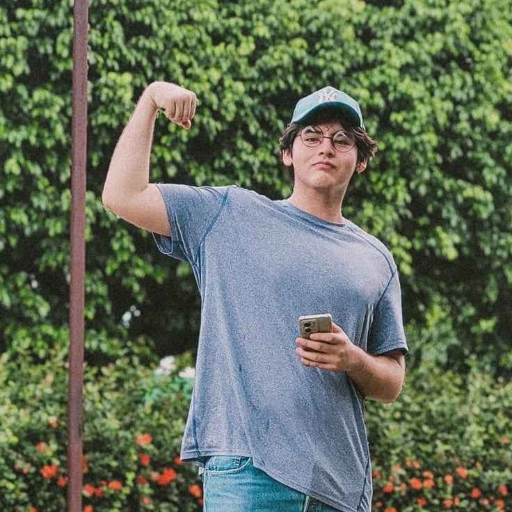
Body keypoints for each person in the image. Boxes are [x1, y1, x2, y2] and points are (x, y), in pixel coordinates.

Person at [102, 82, 408, 512]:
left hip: (340, 487)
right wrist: (151, 98)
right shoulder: (228, 214)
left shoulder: (375, 258)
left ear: (360, 160)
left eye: (342, 139)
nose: (326, 147)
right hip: (247, 476)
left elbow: (392, 382)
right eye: (311, 136)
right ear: (287, 153)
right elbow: (122, 195)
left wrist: (352, 359)